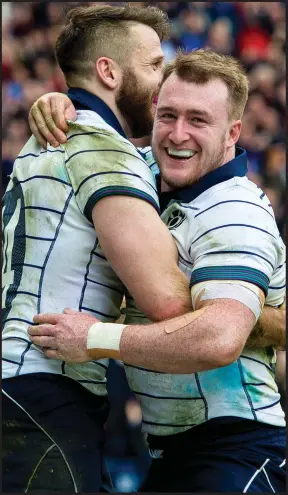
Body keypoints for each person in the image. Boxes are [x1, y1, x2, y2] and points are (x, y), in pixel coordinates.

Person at [28, 50, 286, 492]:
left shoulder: (236, 211)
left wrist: (94, 340)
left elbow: (219, 338)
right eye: (167, 115)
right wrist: (62, 105)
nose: (177, 134)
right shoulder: (144, 171)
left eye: (198, 120)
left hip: (235, 448)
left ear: (233, 132)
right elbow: (102, 139)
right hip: (168, 452)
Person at [2, 5, 196, 493]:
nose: (163, 80)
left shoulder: (46, 139)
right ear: (108, 70)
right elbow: (167, 300)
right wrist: (254, 305)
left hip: (24, 388)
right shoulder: (98, 145)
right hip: (44, 393)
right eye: (154, 64)